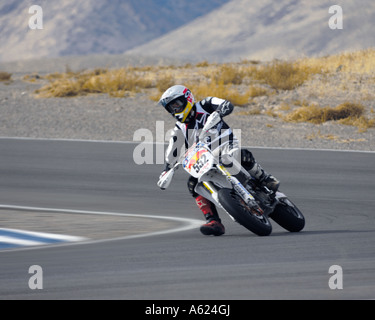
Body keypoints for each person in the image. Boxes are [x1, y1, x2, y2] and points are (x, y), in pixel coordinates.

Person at [157, 85, 280, 236]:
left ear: (187, 99)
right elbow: (172, 153)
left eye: (176, 104)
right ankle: (213, 220)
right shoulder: (179, 129)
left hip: (226, 146)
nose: (175, 110)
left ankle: (264, 178)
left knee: (240, 155)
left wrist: (219, 112)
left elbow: (226, 104)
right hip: (206, 158)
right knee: (192, 183)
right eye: (170, 108)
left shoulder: (205, 105)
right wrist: (166, 170)